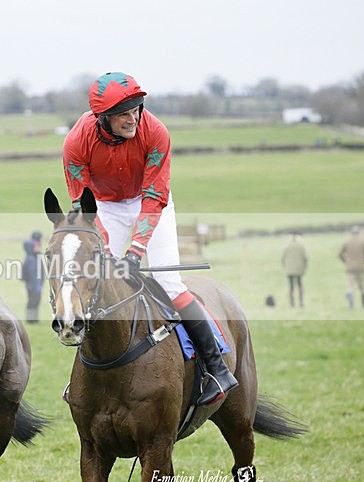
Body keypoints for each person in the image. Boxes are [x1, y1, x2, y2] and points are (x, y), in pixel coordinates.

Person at [62, 71, 237, 406]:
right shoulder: (75, 143)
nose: (134, 118)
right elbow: (83, 207)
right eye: (124, 114)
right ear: (103, 118)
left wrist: (135, 252)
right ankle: (83, 378)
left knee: (169, 283)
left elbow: (154, 197)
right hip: (104, 208)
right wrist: (112, 257)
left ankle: (216, 367)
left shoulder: (155, 132)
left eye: (137, 109)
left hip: (150, 201)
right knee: (100, 284)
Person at [339, 225, 364, 309]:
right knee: (362, 286)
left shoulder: (347, 241)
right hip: (361, 267)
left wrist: (346, 261)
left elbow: (340, 254)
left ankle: (350, 304)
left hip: (350, 267)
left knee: (350, 286)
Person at [21, 231, 44, 323]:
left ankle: (34, 319)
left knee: (35, 302)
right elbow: (34, 274)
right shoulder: (31, 258)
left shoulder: (33, 256)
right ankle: (31, 320)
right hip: (33, 285)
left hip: (34, 285)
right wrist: (37, 285)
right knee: (33, 302)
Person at [281, 232, 308, 307]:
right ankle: (301, 303)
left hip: (289, 270)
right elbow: (305, 258)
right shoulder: (301, 246)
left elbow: (283, 258)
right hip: (299, 269)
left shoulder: (287, 246)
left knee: (291, 287)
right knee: (300, 286)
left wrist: (285, 267)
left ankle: (292, 303)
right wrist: (304, 268)